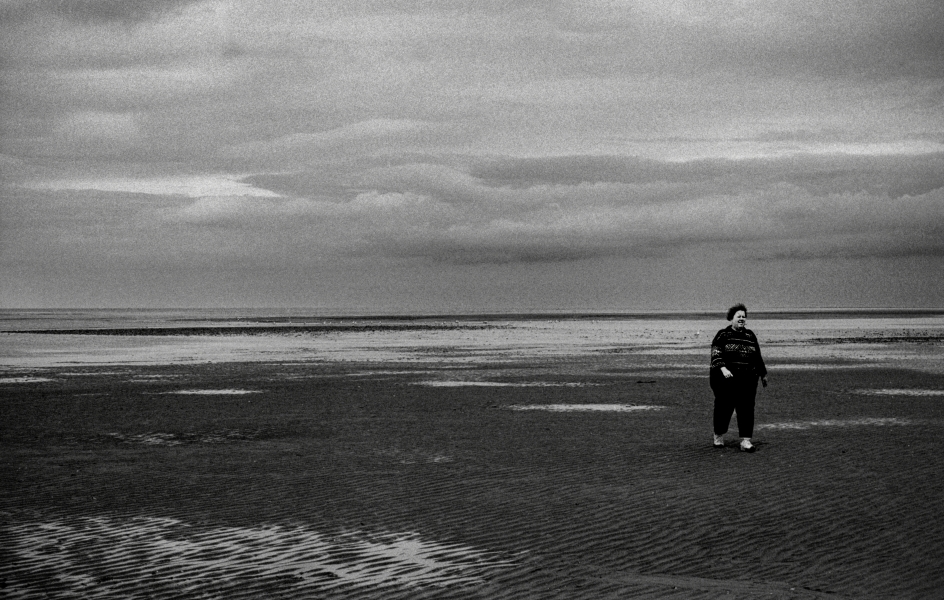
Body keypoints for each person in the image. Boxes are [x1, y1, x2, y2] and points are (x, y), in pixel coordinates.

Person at [710, 303, 768, 452]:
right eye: (738, 316)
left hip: (748, 379)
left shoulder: (750, 335)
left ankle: (746, 441)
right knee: (724, 408)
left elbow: (757, 356)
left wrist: (763, 374)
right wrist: (723, 368)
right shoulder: (723, 334)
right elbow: (716, 352)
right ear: (731, 318)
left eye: (743, 317)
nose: (741, 319)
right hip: (727, 379)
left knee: (747, 409)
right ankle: (718, 436)